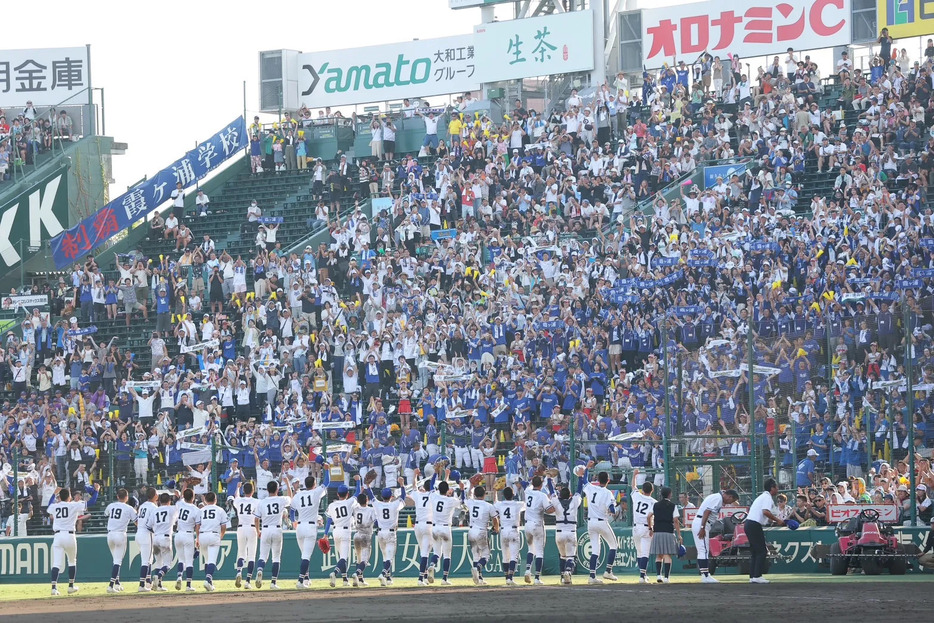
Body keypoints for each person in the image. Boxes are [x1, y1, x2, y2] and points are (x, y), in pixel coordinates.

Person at [290, 468, 330, 589]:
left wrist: (293, 521)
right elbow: (327, 482)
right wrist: (326, 469)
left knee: (304, 555)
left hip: (300, 526)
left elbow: (291, 510)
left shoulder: (298, 495)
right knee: (306, 556)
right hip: (310, 527)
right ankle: (300, 580)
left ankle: (306, 578)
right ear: (314, 484)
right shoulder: (316, 492)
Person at [691, 489, 740, 583]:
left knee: (703, 550)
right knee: (703, 550)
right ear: (729, 496)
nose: (730, 503)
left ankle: (705, 575)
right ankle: (705, 576)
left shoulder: (718, 497)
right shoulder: (717, 498)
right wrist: (702, 527)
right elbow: (707, 512)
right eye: (731, 500)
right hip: (702, 523)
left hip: (702, 523)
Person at [253, 479, 293, 590]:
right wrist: (288, 484)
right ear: (277, 489)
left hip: (265, 529)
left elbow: (256, 519)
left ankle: (260, 570)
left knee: (262, 556)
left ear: (267, 489)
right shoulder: (281, 499)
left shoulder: (262, 502)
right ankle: (273, 582)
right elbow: (291, 497)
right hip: (277, 529)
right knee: (276, 557)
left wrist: (257, 531)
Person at [583, 465, 619, 583]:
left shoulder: (591, 488)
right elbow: (612, 510)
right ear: (608, 480)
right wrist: (611, 511)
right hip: (601, 521)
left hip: (590, 522)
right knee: (613, 545)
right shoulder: (608, 493)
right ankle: (608, 571)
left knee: (595, 550)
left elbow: (584, 480)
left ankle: (592, 576)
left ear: (598, 480)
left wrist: (587, 468)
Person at [47, 487, 86, 595]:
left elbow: (49, 505)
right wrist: (96, 491)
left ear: (59, 497)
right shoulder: (73, 504)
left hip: (58, 536)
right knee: (72, 561)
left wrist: (54, 494)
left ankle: (54, 588)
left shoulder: (55, 506)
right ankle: (71, 586)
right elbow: (91, 503)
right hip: (69, 535)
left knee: (56, 563)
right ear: (69, 497)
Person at [745, 478, 785, 583]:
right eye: (776, 487)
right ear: (772, 488)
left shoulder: (763, 496)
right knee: (762, 551)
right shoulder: (767, 497)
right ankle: (757, 576)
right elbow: (765, 512)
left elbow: (764, 514)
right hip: (754, 524)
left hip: (749, 524)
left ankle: (753, 576)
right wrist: (778, 520)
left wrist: (773, 521)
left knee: (755, 551)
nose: (777, 489)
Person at [430, 477, 465, 585]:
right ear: (447, 490)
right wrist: (462, 489)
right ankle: (444, 578)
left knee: (436, 552)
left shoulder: (434, 496)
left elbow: (431, 486)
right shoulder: (451, 500)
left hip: (435, 527)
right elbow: (462, 501)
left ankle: (431, 564)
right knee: (447, 555)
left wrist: (435, 473)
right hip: (445, 528)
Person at [550, 472, 583, 584]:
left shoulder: (556, 501)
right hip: (571, 531)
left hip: (559, 533)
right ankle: (568, 572)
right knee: (570, 557)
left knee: (563, 556)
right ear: (570, 495)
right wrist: (581, 477)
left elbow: (551, 492)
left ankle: (563, 578)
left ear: (560, 495)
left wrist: (549, 480)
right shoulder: (574, 501)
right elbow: (579, 490)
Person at [372, 479, 407, 585]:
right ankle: (383, 574)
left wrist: (368, 486)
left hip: (381, 533)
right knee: (389, 557)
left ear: (382, 496)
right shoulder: (394, 504)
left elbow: (371, 496)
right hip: (391, 533)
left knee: (385, 556)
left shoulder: (377, 504)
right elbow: (403, 497)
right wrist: (402, 485)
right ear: (391, 497)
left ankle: (387, 579)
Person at [521, 475, 554, 585]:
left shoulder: (528, 491)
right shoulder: (542, 495)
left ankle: (527, 570)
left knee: (531, 549)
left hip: (527, 524)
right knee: (539, 551)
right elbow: (549, 510)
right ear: (541, 485)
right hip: (537, 524)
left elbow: (529, 485)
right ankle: (537, 578)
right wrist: (554, 503)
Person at [326, 482, 359, 587]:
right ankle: (334, 573)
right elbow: (358, 492)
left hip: (335, 531)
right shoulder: (349, 502)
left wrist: (326, 533)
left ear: (337, 494)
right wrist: (358, 481)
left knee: (342, 557)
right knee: (344, 557)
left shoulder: (331, 505)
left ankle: (345, 580)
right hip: (345, 531)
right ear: (347, 494)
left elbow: (328, 520)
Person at [104, 488, 137, 593]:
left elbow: (106, 514)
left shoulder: (111, 505)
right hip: (120, 534)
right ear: (126, 497)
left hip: (110, 534)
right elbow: (137, 522)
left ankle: (117, 583)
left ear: (118, 496)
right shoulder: (129, 508)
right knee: (117, 561)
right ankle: (111, 585)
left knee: (115, 560)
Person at [464, 483, 497, 586]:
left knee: (475, 555)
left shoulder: (471, 503)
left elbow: (467, 497)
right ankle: (477, 569)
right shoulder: (488, 505)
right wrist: (496, 528)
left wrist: (471, 487)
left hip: (471, 530)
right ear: (484, 494)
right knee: (486, 555)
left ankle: (479, 579)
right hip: (481, 531)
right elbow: (495, 518)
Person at [648, 486, 682, 583]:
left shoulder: (655, 505)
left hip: (657, 531)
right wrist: (679, 534)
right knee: (667, 555)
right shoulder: (672, 505)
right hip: (668, 532)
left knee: (659, 555)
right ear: (669, 494)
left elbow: (649, 516)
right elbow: (675, 520)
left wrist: (650, 528)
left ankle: (659, 575)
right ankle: (666, 578)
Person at [198, 491, 229, 591]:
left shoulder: (201, 510)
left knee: (207, 560)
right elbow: (224, 526)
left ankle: (209, 583)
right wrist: (221, 536)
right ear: (215, 500)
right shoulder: (220, 510)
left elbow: (197, 525)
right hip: (214, 534)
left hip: (202, 535)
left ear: (205, 500)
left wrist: (197, 538)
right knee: (212, 560)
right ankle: (207, 580)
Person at [493, 486, 523, 586]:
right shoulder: (517, 504)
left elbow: (495, 503)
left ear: (504, 495)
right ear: (513, 495)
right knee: (514, 556)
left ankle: (507, 578)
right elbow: (527, 503)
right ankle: (510, 578)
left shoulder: (500, 505)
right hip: (513, 530)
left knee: (505, 556)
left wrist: (495, 491)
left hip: (503, 530)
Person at [231, 481, 259, 588]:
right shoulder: (257, 502)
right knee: (251, 556)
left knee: (241, 554)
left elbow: (236, 496)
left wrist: (237, 488)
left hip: (241, 528)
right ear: (253, 491)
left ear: (244, 490)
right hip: (252, 528)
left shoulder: (238, 501)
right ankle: (248, 581)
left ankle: (239, 572)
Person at [173, 487, 201, 591]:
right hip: (188, 534)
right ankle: (188, 585)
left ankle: (179, 576)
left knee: (181, 559)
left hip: (178, 534)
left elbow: (180, 498)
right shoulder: (196, 510)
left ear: (184, 496)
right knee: (189, 562)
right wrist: (198, 538)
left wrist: (183, 488)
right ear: (193, 497)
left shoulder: (179, 504)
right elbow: (197, 527)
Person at [629, 468, 654, 583]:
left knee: (639, 553)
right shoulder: (654, 502)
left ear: (642, 490)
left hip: (635, 527)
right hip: (645, 527)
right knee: (644, 553)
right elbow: (651, 516)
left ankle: (643, 575)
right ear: (652, 490)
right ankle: (642, 576)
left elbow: (633, 487)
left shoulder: (637, 496)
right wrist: (651, 528)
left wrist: (634, 476)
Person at [150, 492, 178, 591]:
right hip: (165, 538)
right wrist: (178, 495)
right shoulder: (172, 509)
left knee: (158, 563)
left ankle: (159, 586)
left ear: (159, 501)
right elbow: (181, 504)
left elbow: (149, 526)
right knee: (167, 564)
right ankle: (158, 577)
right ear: (169, 501)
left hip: (156, 537)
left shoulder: (154, 511)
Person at [135, 487, 158, 591]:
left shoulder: (142, 505)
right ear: (155, 496)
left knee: (149, 559)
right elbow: (153, 524)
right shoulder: (153, 507)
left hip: (139, 533)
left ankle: (148, 582)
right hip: (146, 534)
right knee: (146, 560)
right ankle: (141, 585)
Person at [351, 488, 376, 586]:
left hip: (357, 534)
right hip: (366, 535)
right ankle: (356, 574)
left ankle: (360, 580)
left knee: (359, 559)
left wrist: (360, 492)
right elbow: (376, 521)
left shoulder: (356, 508)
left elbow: (358, 501)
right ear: (367, 500)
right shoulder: (371, 510)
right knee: (365, 560)